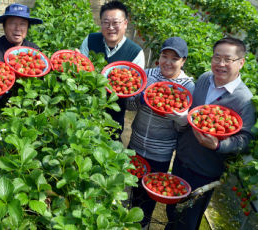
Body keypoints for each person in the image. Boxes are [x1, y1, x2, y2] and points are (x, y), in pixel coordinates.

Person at [165, 37, 256, 230]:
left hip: (204, 171)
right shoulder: (205, 79)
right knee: (172, 210)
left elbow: (245, 139)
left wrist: (218, 145)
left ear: (241, 62)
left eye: (227, 60)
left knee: (188, 220)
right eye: (216, 57)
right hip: (182, 158)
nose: (220, 64)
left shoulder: (244, 99)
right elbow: (194, 114)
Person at [125, 37, 194, 229]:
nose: (168, 62)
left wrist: (179, 118)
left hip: (160, 153)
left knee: (149, 195)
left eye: (174, 58)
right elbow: (130, 106)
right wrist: (137, 97)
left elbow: (182, 128)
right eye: (165, 56)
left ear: (183, 61)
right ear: (159, 57)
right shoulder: (147, 75)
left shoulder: (187, 87)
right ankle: (130, 218)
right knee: (133, 186)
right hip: (136, 144)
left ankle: (142, 224)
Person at [79, 0, 145, 136]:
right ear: (100, 23)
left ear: (125, 24)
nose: (110, 27)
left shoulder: (136, 52)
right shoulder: (90, 40)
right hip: (85, 108)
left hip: (114, 116)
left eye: (115, 23)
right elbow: (81, 70)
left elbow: (133, 87)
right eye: (106, 22)